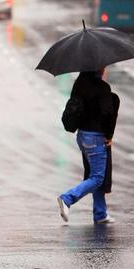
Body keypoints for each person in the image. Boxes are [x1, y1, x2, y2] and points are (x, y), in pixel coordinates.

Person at [57, 69, 120, 224]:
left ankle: (100, 213)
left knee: (95, 174)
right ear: (98, 69)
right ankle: (67, 198)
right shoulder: (102, 88)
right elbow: (107, 113)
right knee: (98, 178)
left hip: (83, 135)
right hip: (96, 137)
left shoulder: (80, 84)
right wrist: (109, 135)